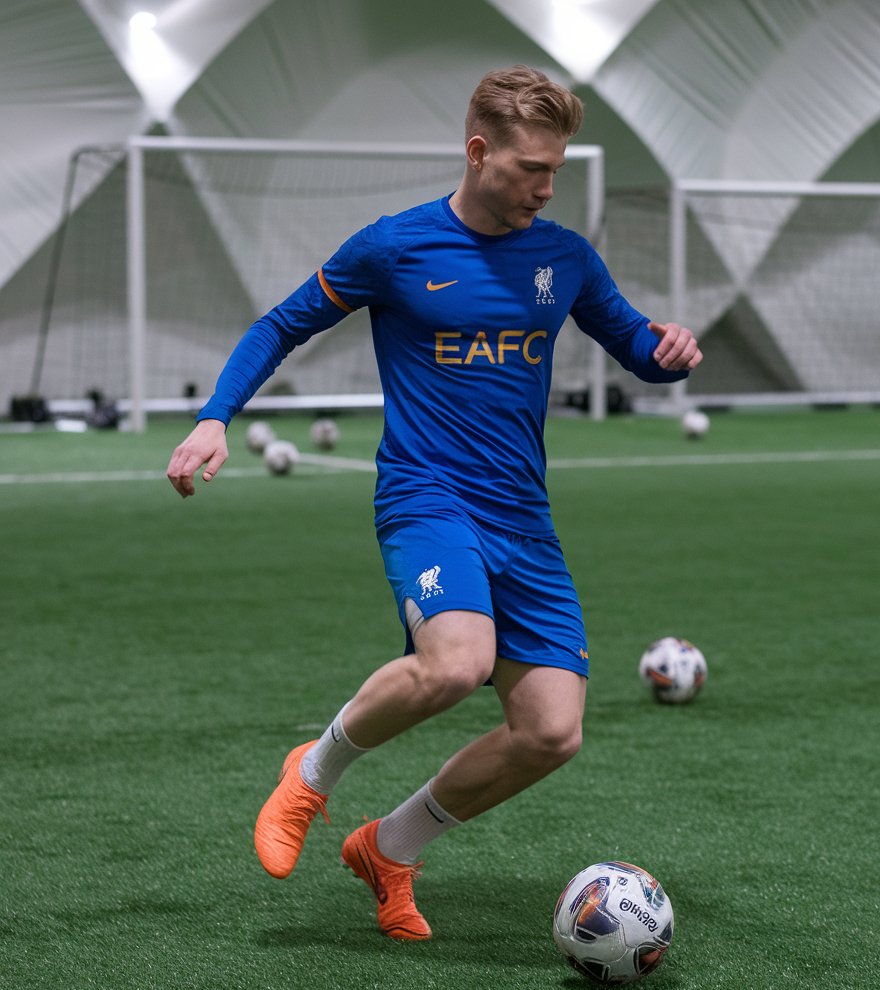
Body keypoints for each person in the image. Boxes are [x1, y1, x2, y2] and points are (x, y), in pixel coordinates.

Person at [166, 65, 703, 942]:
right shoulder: (394, 246)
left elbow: (635, 344)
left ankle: (390, 848)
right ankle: (313, 769)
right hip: (427, 496)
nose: (545, 186)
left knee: (551, 733)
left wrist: (668, 348)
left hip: (522, 517)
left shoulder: (563, 257)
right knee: (455, 663)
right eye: (531, 167)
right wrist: (214, 418)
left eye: (556, 170)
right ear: (478, 151)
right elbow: (280, 324)